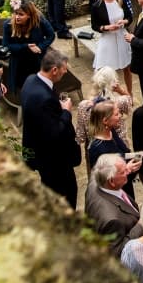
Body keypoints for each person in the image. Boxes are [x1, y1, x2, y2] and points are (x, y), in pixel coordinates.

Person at [21, 48, 82, 208]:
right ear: (54, 70)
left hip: (41, 152)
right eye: (64, 68)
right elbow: (55, 133)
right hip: (54, 161)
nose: (66, 71)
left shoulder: (31, 80)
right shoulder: (43, 98)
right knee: (66, 196)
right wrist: (66, 111)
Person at [85, 153, 143, 257]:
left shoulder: (95, 180)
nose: (127, 172)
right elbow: (118, 253)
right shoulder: (112, 220)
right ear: (111, 181)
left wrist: (126, 169)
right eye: (123, 172)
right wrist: (141, 225)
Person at [86, 100, 139, 204]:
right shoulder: (97, 149)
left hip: (126, 187)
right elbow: (105, 182)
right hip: (116, 199)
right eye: (116, 114)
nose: (120, 116)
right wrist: (127, 169)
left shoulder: (111, 132)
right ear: (105, 121)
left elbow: (124, 151)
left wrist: (134, 159)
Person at [1, 0, 55, 94]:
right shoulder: (8, 25)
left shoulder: (39, 21)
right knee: (25, 88)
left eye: (21, 14)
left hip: (38, 60)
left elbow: (51, 35)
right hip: (20, 63)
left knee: (43, 86)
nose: (17, 17)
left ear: (29, 15)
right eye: (15, 13)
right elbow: (6, 45)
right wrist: (25, 47)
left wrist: (40, 47)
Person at [91, 0, 134, 96]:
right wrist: (106, 27)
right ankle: (106, 96)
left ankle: (129, 94)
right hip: (107, 39)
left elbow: (130, 17)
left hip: (122, 37)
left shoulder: (120, 0)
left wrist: (124, 21)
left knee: (127, 67)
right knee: (105, 70)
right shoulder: (97, 6)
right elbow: (94, 25)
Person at [76, 66, 133, 150]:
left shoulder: (83, 106)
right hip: (118, 148)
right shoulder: (120, 102)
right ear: (114, 83)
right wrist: (120, 90)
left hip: (95, 148)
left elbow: (80, 137)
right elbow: (130, 100)